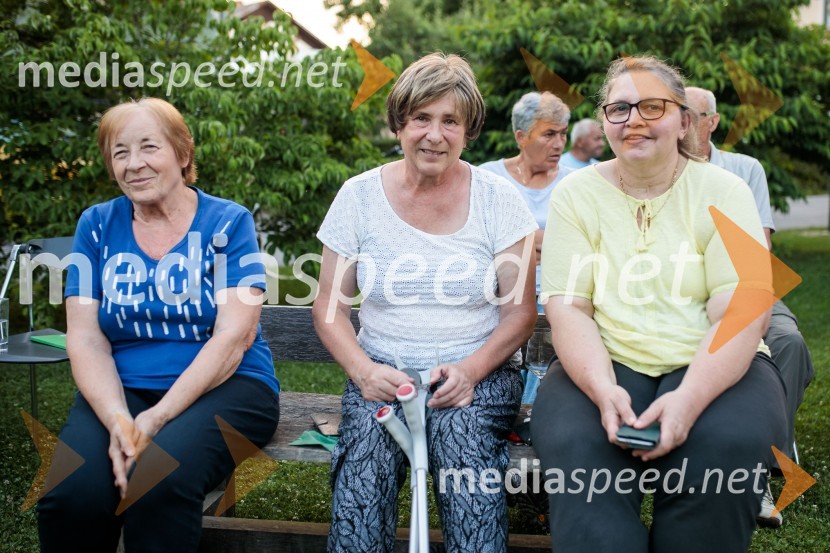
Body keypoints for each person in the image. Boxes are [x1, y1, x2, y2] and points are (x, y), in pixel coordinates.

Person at [530, 56, 787, 553]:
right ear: (604, 121)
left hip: (716, 360)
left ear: (684, 120)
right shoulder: (575, 195)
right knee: (581, 457)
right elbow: (569, 308)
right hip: (606, 359)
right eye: (620, 108)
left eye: (653, 106)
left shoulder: (727, 191)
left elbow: (742, 308)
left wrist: (688, 401)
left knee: (722, 453)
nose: (635, 120)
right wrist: (604, 391)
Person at [313, 53, 537, 552]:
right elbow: (330, 305)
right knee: (363, 474)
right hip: (381, 376)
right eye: (421, 118)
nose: (434, 135)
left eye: (449, 121)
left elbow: (520, 314)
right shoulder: (358, 197)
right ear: (399, 124)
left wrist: (471, 370)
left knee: (464, 460)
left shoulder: (498, 201)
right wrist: (364, 371)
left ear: (467, 130)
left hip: (476, 376)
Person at [37, 98, 280, 552]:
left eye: (149, 147)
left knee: (156, 485)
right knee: (71, 495)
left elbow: (233, 338)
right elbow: (86, 337)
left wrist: (157, 418)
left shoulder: (228, 222)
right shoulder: (96, 225)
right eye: (120, 152)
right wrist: (117, 418)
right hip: (121, 389)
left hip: (227, 386)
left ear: (182, 154)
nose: (134, 164)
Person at [685, 86, 815, 527]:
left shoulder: (744, 169)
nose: (683, 123)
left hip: (747, 283)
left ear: (713, 122)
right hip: (689, 290)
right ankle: (751, 472)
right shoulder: (667, 170)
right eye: (677, 113)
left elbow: (759, 249)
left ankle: (767, 456)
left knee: (788, 342)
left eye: (693, 114)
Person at [480, 91, 570, 404]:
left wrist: (515, 242)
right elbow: (482, 247)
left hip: (555, 295)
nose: (559, 144)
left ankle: (532, 412)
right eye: (549, 134)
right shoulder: (488, 178)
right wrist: (544, 240)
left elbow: (579, 250)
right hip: (499, 295)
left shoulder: (575, 183)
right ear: (521, 136)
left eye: (563, 134)